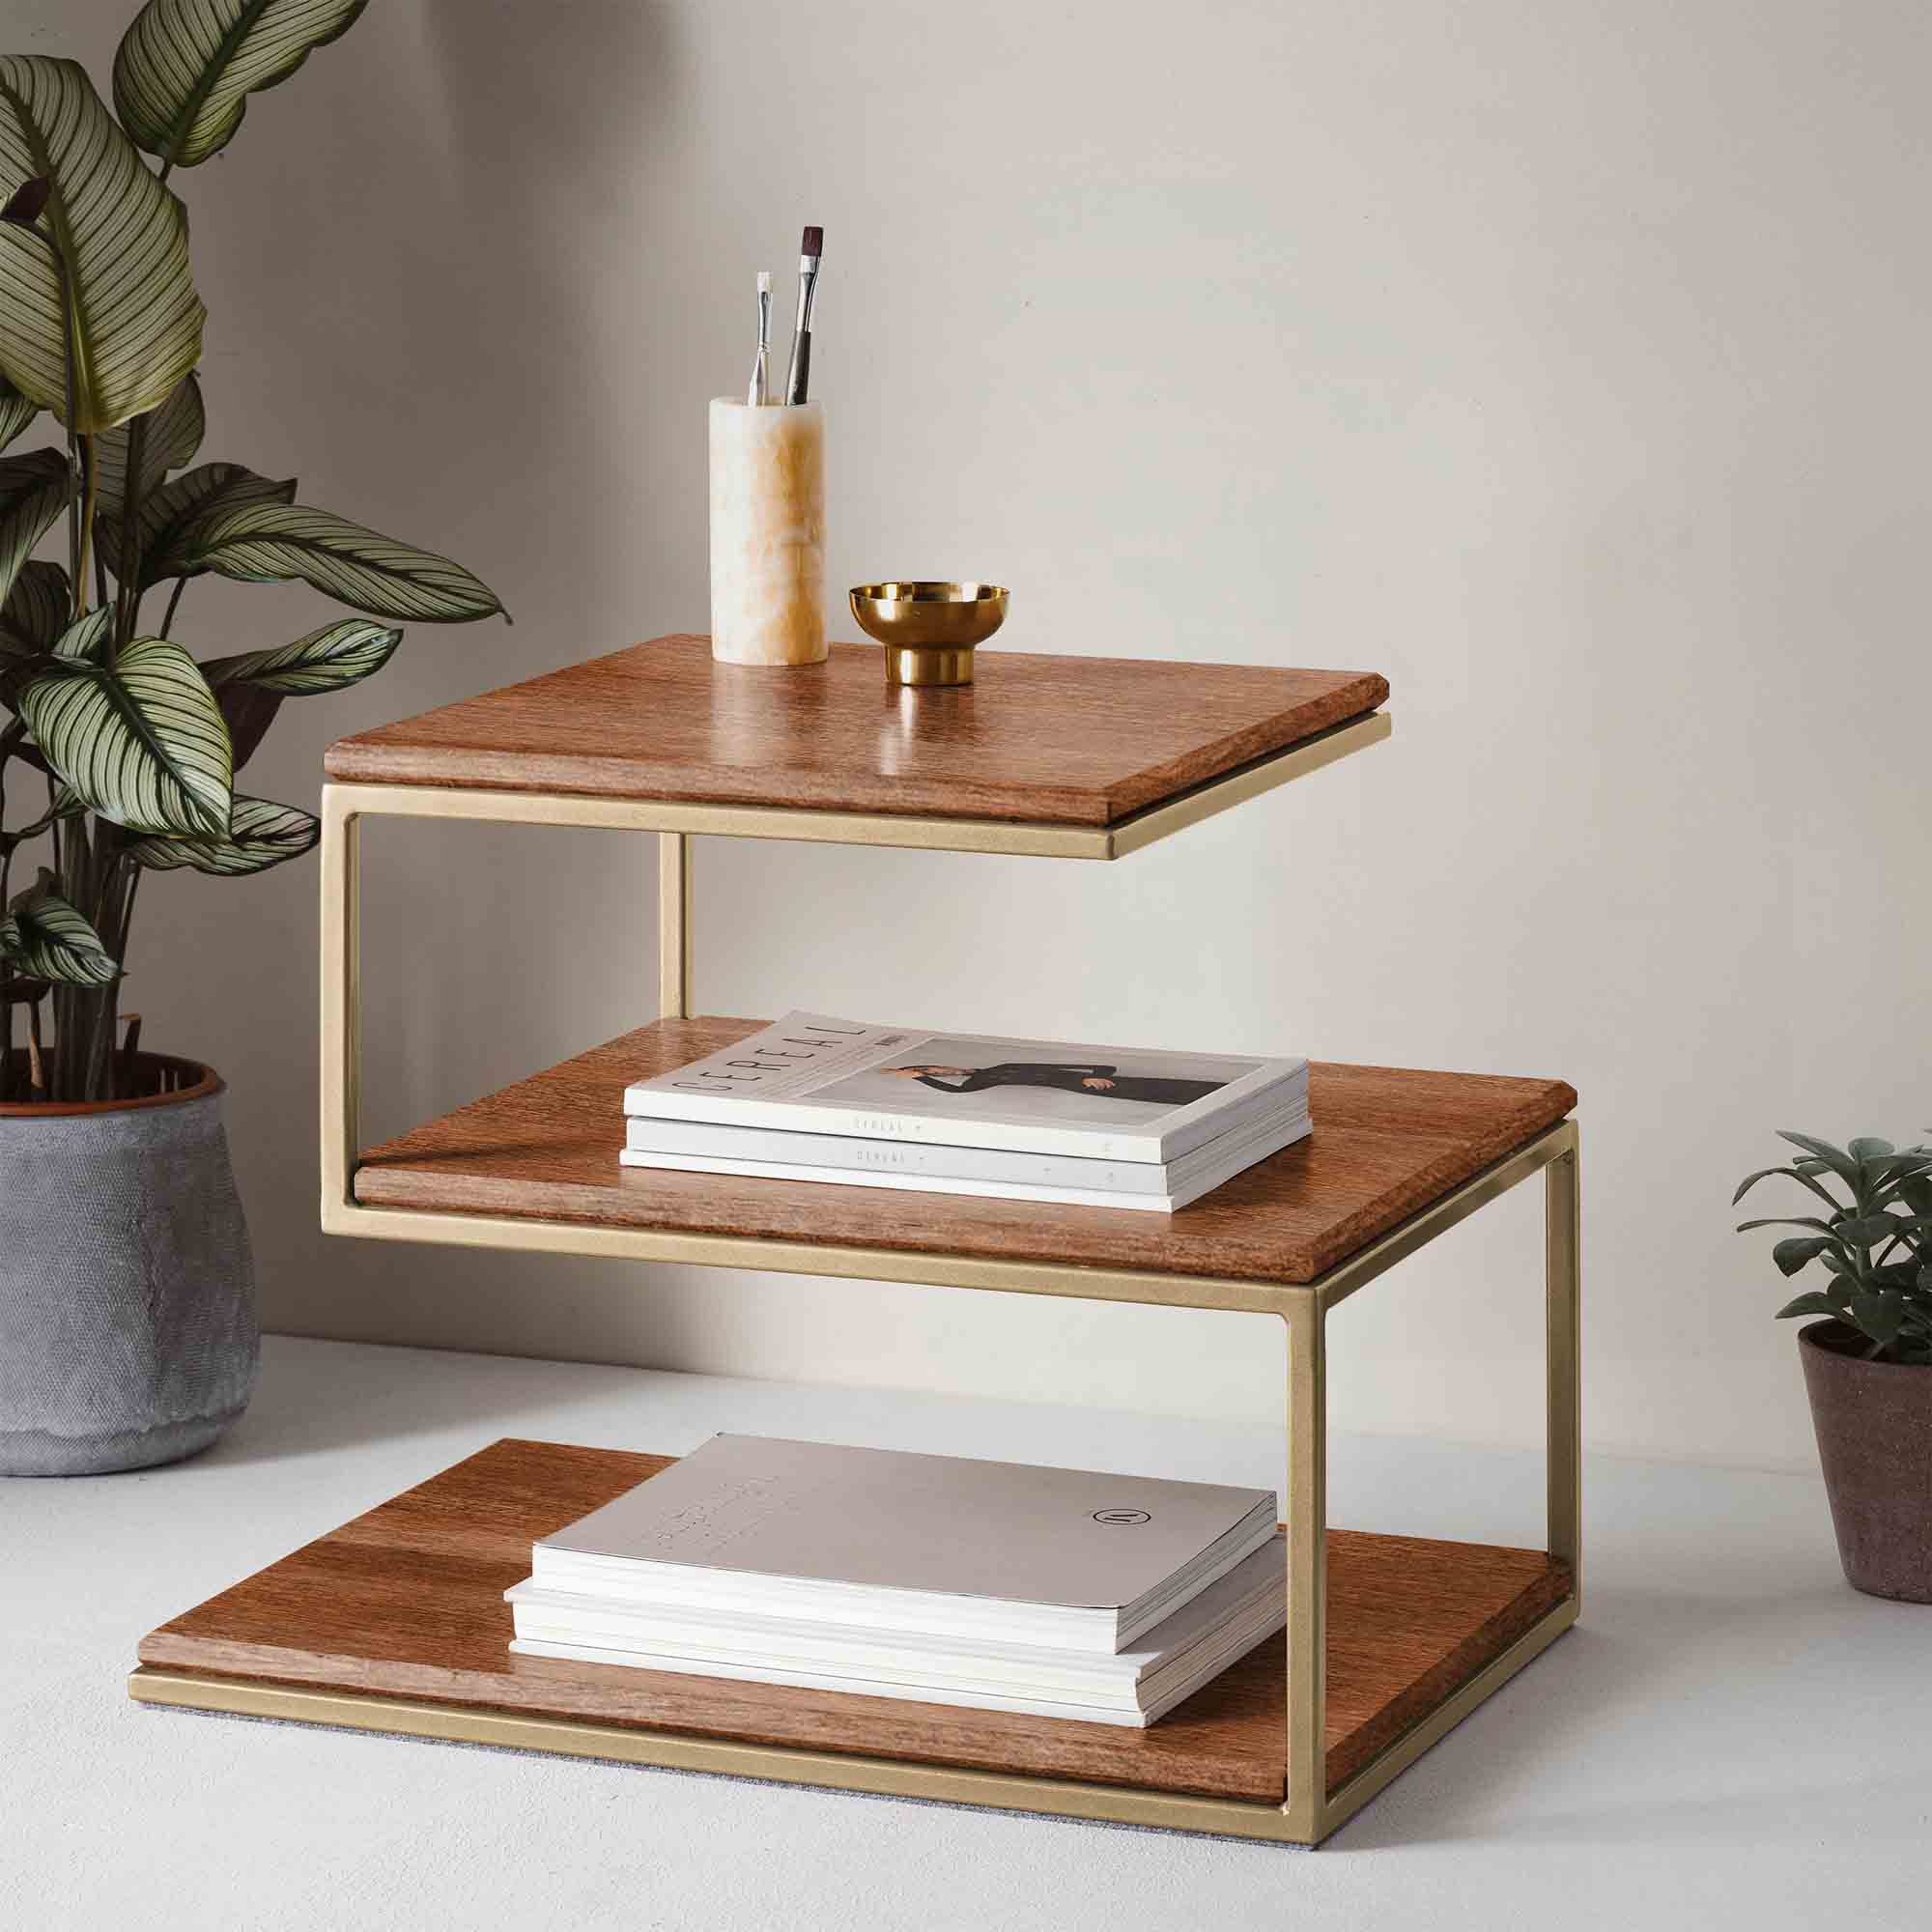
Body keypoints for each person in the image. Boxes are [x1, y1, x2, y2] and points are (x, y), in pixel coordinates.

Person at [882, 1062, 1227, 1108]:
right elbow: (955, 1093)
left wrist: (1088, 1074)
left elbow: (1053, 1067)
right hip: (1083, 1088)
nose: (941, 1070)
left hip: (1091, 1081)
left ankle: (1220, 1093)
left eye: (934, 1067)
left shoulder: (999, 1066)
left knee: (1162, 1083)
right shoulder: (982, 1081)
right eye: (935, 1072)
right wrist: (921, 1079)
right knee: (1154, 1097)